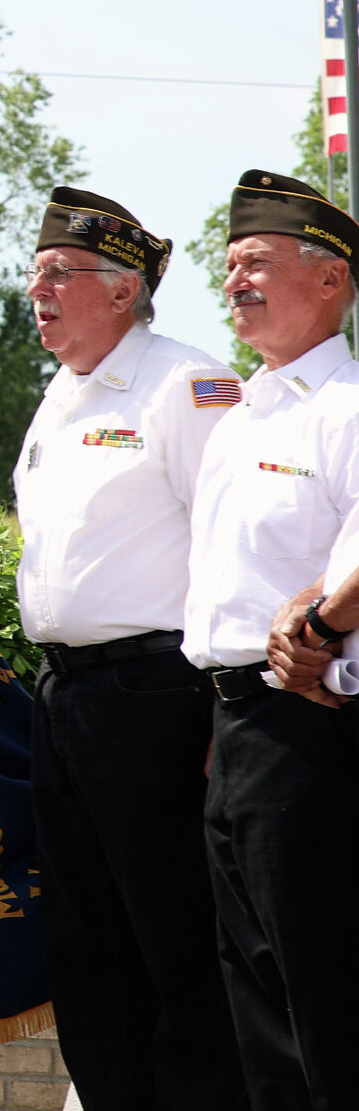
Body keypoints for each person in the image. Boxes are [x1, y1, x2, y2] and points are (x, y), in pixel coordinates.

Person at [13, 187, 244, 1111]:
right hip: (63, 699)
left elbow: (233, 550)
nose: (37, 291)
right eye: (35, 274)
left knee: (173, 940)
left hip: (157, 695)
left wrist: (226, 707)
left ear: (122, 289)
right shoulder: (58, 397)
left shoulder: (186, 385)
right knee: (84, 944)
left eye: (57, 274)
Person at [184, 169, 359, 1111]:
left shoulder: (347, 403)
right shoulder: (243, 413)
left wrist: (323, 623)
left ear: (329, 277)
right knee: (258, 1010)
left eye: (254, 262)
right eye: (229, 265)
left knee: (324, 1002)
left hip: (313, 727)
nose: (233, 282)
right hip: (238, 728)